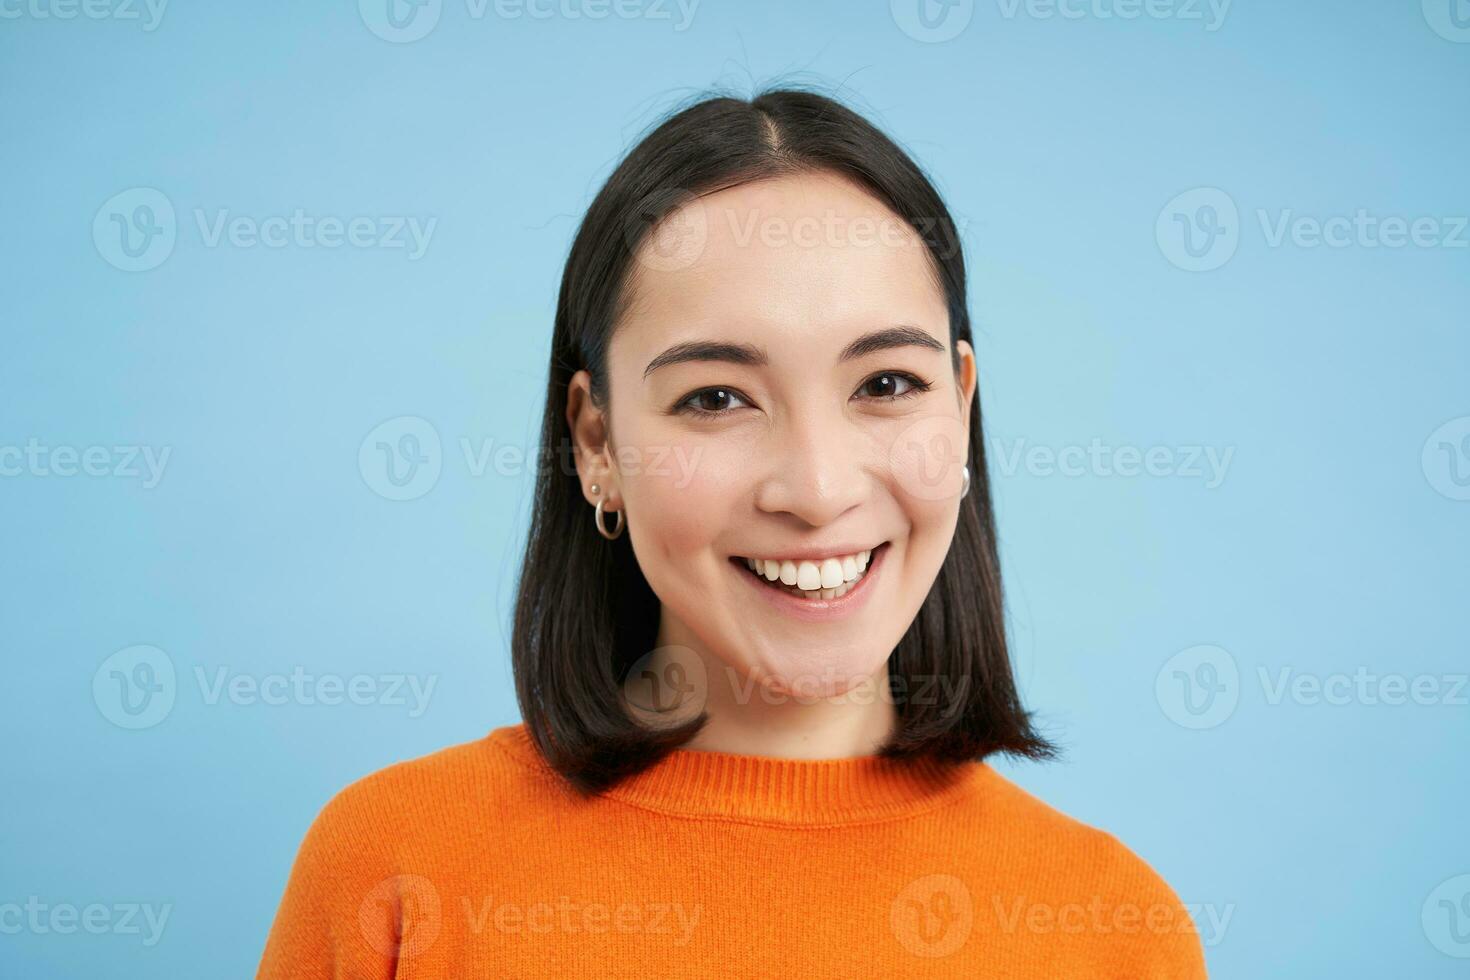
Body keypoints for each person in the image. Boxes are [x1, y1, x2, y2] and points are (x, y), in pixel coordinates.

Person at [256, 87, 1208, 979]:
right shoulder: (392, 873)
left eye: (886, 385)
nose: (818, 488)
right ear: (597, 443)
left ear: (960, 408)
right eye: (715, 397)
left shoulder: (1114, 931)